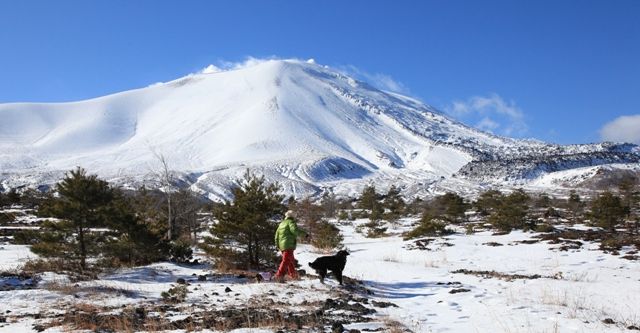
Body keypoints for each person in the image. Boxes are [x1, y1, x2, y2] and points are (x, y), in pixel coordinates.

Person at [274, 210, 308, 282]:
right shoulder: (291, 222)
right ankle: (279, 276)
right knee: (286, 260)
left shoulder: (281, 223)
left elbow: (276, 235)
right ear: (292, 216)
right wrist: (305, 234)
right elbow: (295, 231)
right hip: (288, 244)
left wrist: (278, 245)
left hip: (282, 245)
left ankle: (293, 275)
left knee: (290, 260)